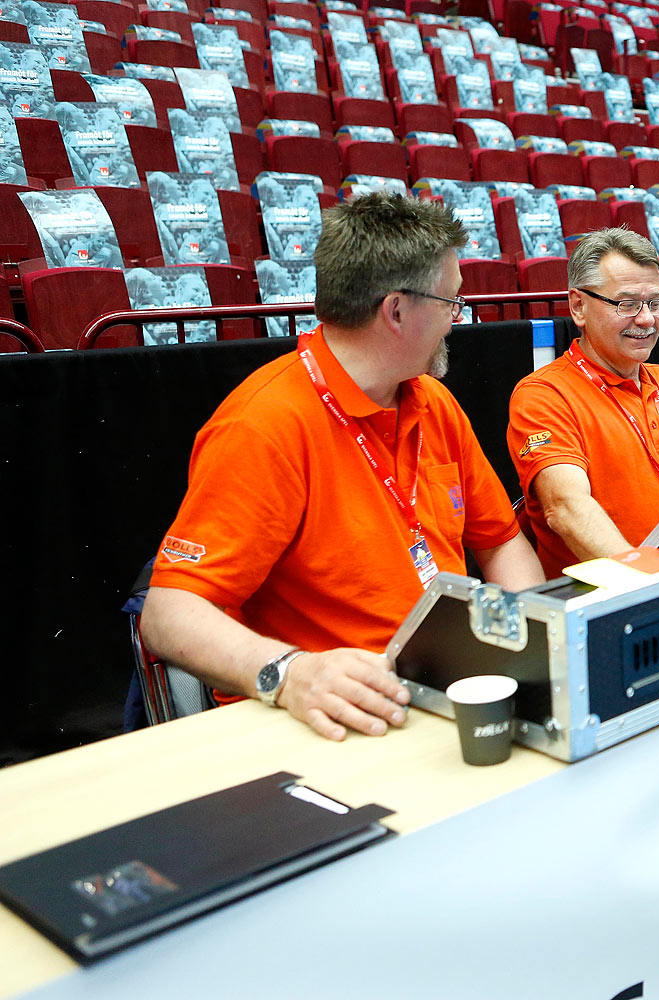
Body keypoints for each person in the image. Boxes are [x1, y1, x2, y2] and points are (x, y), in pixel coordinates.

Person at [140, 194, 546, 742]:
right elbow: (168, 614)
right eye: (452, 301)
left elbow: (499, 543)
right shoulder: (264, 424)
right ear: (397, 310)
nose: (458, 319)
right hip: (332, 721)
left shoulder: (432, 401)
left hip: (439, 695)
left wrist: (529, 650)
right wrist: (291, 674)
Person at [508, 228, 659, 578]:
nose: (647, 319)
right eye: (628, 304)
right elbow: (568, 509)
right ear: (578, 306)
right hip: (614, 601)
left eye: (656, 303)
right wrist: (649, 585)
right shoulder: (544, 395)